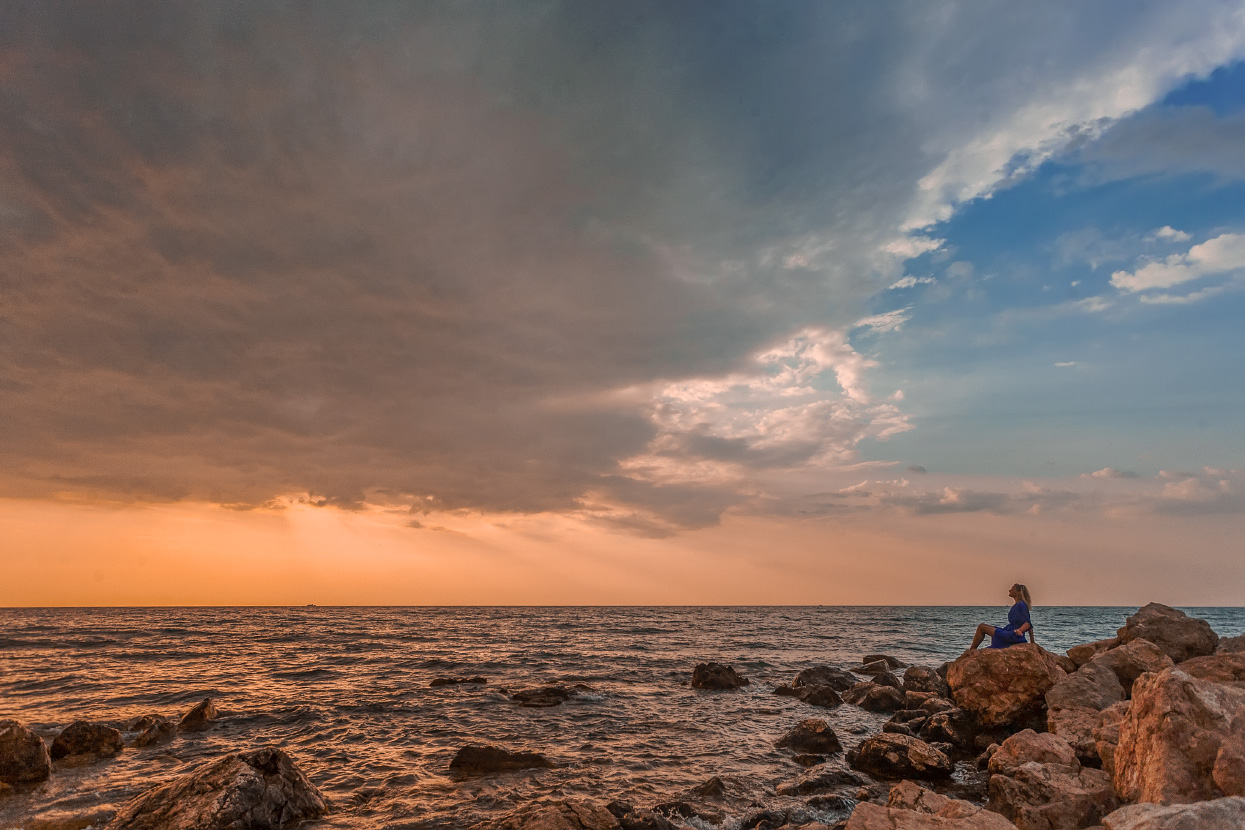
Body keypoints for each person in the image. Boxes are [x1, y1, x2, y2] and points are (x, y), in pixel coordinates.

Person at [965, 584, 1035, 653]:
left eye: (1012, 589)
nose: (1009, 590)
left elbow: (1028, 624)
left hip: (1013, 635)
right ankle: (972, 650)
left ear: (1018, 592)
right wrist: (1032, 642)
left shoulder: (1021, 605)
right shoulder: (1017, 605)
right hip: (1010, 632)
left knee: (981, 627)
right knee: (984, 626)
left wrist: (1020, 631)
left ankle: (971, 651)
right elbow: (1030, 626)